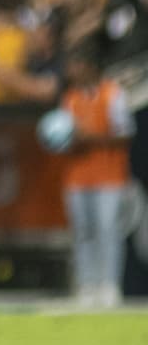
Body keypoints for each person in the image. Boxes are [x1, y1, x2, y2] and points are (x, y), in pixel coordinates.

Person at [60, 45, 135, 308]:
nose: (71, 71)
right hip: (77, 176)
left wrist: (89, 138)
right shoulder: (70, 97)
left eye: (76, 65)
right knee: (82, 232)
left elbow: (125, 133)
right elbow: (64, 136)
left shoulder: (112, 94)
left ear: (90, 67)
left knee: (108, 231)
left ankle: (109, 284)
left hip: (109, 176)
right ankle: (87, 284)